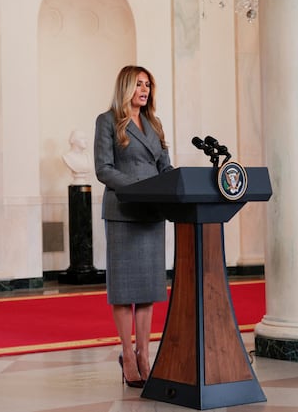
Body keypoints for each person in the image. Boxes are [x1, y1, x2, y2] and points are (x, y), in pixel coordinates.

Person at [93, 65, 172, 388]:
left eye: (148, 85)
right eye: (139, 84)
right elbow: (104, 169)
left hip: (151, 214)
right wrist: (136, 189)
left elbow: (165, 167)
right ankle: (127, 354)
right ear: (126, 86)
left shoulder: (154, 123)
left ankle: (144, 354)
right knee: (126, 291)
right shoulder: (108, 120)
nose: (145, 90)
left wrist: (174, 184)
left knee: (149, 290)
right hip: (124, 211)